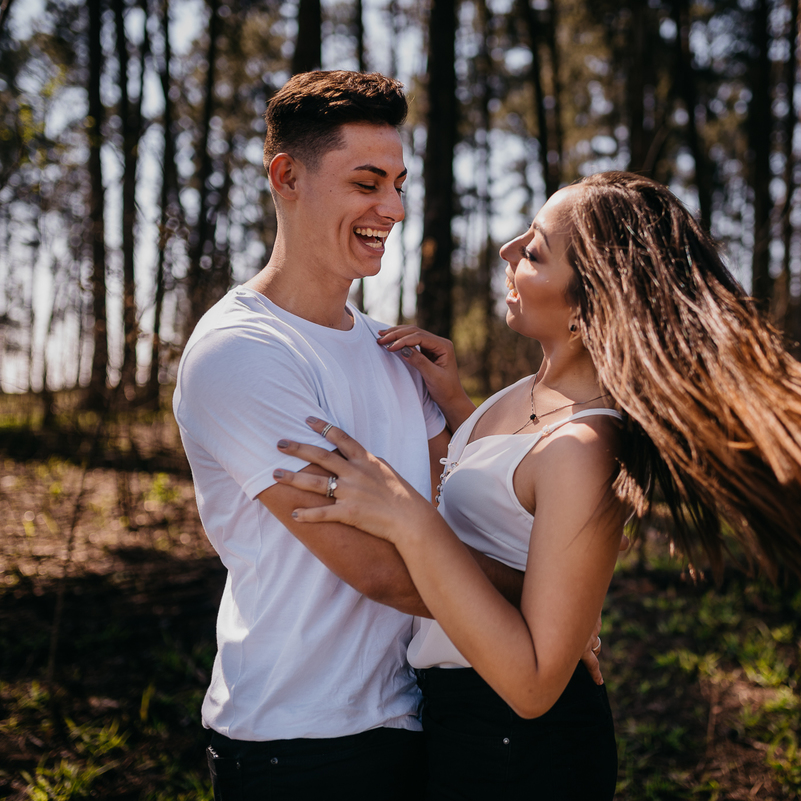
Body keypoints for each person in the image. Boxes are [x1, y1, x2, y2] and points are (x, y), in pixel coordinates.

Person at [272, 171, 801, 799]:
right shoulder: (529, 396)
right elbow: (503, 503)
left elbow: (533, 686)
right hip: (450, 715)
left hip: (518, 746)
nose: (507, 251)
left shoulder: (587, 448)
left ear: (588, 306)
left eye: (533, 251)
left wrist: (409, 519)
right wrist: (455, 406)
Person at [172, 70, 531, 800]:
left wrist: (460, 405)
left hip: (413, 716)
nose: (392, 208)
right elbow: (379, 567)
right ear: (287, 176)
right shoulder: (243, 353)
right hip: (298, 746)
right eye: (368, 183)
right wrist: (547, 606)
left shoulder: (394, 354)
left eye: (399, 183)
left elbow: (465, 503)